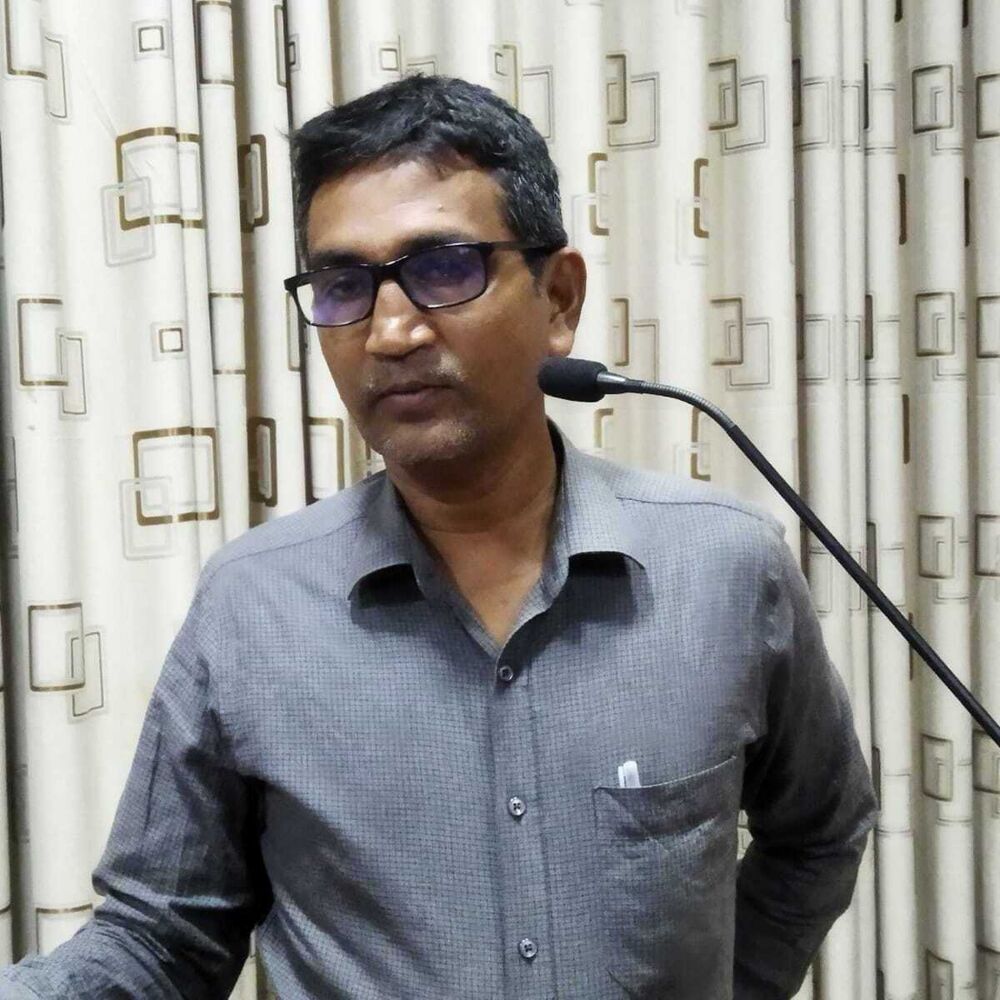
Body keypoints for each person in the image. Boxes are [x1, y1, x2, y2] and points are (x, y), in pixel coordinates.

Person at [0, 74, 878, 1000]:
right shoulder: (252, 605)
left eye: (445, 267)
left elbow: (820, 832)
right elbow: (160, 937)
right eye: (344, 284)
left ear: (558, 298)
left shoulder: (725, 568)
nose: (390, 331)